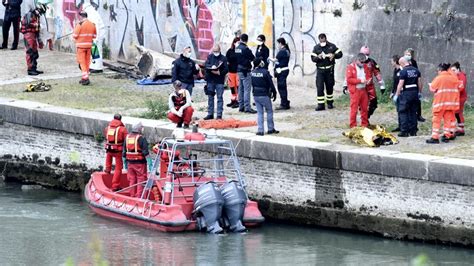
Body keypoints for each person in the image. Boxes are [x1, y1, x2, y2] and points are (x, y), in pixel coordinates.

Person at [426, 63, 460, 144]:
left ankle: (435, 137)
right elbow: (459, 86)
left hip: (440, 103)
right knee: (448, 120)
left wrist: (430, 85)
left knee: (436, 120)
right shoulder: (453, 77)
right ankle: (446, 136)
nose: (437, 72)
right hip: (450, 103)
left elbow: (433, 88)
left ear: (440, 70)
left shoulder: (439, 78)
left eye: (437, 70)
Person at [311, 33, 343, 111]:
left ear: (326, 39)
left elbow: (340, 54)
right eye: (321, 41)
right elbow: (312, 58)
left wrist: (334, 55)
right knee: (320, 87)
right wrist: (318, 57)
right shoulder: (316, 48)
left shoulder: (332, 46)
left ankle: (330, 103)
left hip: (329, 70)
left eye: (323, 40)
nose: (322, 42)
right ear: (319, 40)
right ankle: (321, 105)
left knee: (329, 86)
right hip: (320, 70)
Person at [394, 57, 422, 137]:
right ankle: (413, 131)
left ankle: (404, 131)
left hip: (406, 93)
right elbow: (419, 83)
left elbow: (400, 84)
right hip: (415, 93)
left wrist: (396, 94)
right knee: (413, 112)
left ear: (402, 63)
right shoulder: (416, 70)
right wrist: (419, 92)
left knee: (403, 112)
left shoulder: (403, 72)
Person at [251, 58, 279, 136]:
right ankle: (270, 129)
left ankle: (260, 130)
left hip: (256, 95)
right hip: (264, 94)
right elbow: (271, 84)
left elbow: (252, 84)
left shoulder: (252, 72)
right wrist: (274, 92)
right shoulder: (265, 72)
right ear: (260, 63)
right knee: (269, 111)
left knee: (260, 113)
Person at [123, 122, 149, 198]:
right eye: (142, 128)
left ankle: (132, 195)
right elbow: (145, 152)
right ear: (139, 129)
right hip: (140, 163)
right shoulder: (141, 138)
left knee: (132, 179)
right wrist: (150, 164)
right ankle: (139, 196)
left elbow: (124, 152)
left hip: (130, 163)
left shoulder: (127, 138)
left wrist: (125, 163)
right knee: (141, 179)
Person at [359, 46, 385, 118]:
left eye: (367, 55)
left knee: (374, 103)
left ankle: (367, 116)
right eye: (365, 54)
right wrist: (346, 85)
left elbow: (377, 74)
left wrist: (382, 85)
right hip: (360, 86)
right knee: (362, 104)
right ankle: (364, 120)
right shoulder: (356, 63)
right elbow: (349, 75)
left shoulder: (372, 62)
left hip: (370, 87)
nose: (366, 56)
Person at [20, 4, 46, 76]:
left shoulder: (37, 17)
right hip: (28, 35)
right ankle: (30, 70)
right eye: (40, 12)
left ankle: (34, 68)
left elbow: (37, 30)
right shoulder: (29, 14)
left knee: (35, 53)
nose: (40, 14)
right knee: (30, 52)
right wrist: (36, 24)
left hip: (33, 35)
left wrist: (40, 41)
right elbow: (28, 23)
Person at [104, 114, 128, 192]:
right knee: (118, 168)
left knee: (108, 158)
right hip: (118, 150)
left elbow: (106, 137)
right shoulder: (122, 129)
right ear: (120, 119)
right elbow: (126, 140)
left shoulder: (107, 128)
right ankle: (115, 185)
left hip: (109, 148)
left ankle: (107, 169)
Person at [346, 53, 370, 128]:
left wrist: (368, 80)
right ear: (357, 60)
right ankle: (353, 125)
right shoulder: (351, 67)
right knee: (354, 109)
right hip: (355, 90)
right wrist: (360, 81)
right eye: (361, 62)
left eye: (364, 62)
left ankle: (364, 124)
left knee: (364, 108)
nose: (363, 64)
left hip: (363, 90)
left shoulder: (365, 66)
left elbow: (369, 75)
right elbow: (349, 79)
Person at [204, 44, 228, 120]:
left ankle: (219, 115)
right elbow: (206, 65)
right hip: (210, 80)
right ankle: (210, 113)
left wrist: (219, 72)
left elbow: (226, 69)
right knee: (210, 97)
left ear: (219, 50)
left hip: (219, 80)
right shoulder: (210, 57)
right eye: (214, 51)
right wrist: (211, 68)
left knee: (219, 98)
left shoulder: (223, 58)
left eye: (217, 51)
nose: (215, 52)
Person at [73, 10, 97, 85]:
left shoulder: (79, 24)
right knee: (87, 62)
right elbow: (94, 36)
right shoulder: (92, 24)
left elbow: (75, 36)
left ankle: (85, 78)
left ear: (81, 16)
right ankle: (84, 78)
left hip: (81, 47)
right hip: (89, 46)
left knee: (82, 62)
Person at [236, 33, 257, 113]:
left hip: (239, 70)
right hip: (245, 71)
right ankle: (247, 108)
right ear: (247, 40)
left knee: (240, 89)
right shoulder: (245, 49)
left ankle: (241, 106)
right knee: (247, 90)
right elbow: (252, 58)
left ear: (240, 39)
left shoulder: (237, 48)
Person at [269, 37, 291, 110]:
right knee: (283, 87)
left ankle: (284, 104)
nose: (277, 45)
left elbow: (276, 60)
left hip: (281, 71)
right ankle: (285, 102)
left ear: (280, 43)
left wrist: (269, 59)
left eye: (278, 43)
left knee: (281, 87)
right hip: (284, 70)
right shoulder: (287, 50)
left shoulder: (282, 51)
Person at [404, 48, 425, 122]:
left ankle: (418, 115)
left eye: (409, 54)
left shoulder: (413, 62)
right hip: (406, 83)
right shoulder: (402, 61)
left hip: (414, 83)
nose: (407, 56)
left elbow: (417, 72)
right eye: (406, 54)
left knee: (417, 100)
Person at [450, 62, 467, 136]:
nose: (452, 72)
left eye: (454, 70)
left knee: (458, 113)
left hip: (460, 97)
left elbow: (461, 88)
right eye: (451, 70)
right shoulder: (456, 76)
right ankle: (460, 128)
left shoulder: (461, 76)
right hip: (457, 97)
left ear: (458, 69)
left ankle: (461, 129)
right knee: (457, 113)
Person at [225, 37, 240, 108]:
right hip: (231, 72)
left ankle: (238, 101)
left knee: (238, 87)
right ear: (233, 43)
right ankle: (233, 101)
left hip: (238, 72)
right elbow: (226, 60)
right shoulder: (230, 51)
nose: (237, 44)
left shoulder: (240, 51)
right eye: (236, 42)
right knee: (232, 87)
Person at [390, 55, 402, 132]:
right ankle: (400, 125)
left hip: (401, 92)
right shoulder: (395, 70)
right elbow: (395, 83)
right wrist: (392, 92)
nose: (391, 63)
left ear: (395, 62)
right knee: (398, 109)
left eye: (392, 61)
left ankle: (403, 126)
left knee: (401, 109)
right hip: (395, 92)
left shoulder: (401, 70)